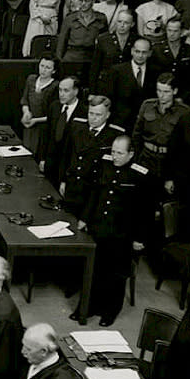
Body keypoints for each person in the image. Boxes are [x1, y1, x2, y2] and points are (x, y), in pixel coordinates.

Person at [77, 135, 150, 326]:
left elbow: (144, 211)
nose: (115, 156)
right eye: (113, 152)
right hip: (99, 227)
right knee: (94, 270)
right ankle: (89, 306)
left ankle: (110, 311)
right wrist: (84, 218)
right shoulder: (104, 164)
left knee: (116, 275)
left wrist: (139, 238)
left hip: (122, 234)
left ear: (131, 154)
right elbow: (94, 194)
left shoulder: (139, 175)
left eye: (119, 153)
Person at [58, 94, 121, 220]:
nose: (94, 118)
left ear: (107, 115)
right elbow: (66, 155)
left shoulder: (114, 136)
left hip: (92, 192)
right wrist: (63, 180)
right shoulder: (77, 126)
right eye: (91, 113)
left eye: (98, 115)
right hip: (73, 186)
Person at [104, 40, 159, 132]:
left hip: (146, 122)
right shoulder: (117, 70)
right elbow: (110, 97)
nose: (140, 55)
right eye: (137, 51)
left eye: (144, 52)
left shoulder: (156, 71)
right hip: (121, 121)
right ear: (132, 51)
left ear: (150, 53)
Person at [58, 0, 109, 82]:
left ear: (93, 1)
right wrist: (59, 61)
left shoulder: (101, 18)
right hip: (72, 58)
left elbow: (105, 42)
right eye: (81, 0)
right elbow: (61, 42)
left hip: (91, 58)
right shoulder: (70, 18)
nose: (83, 4)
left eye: (86, 1)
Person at [20, 56, 59, 159]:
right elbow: (24, 100)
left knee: (36, 155)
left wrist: (35, 120)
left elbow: (54, 113)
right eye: (42, 66)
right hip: (29, 124)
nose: (43, 70)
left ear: (54, 71)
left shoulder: (55, 86)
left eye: (48, 67)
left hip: (43, 127)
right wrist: (26, 112)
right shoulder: (31, 79)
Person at [92, 10, 139, 94]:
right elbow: (95, 66)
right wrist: (92, 91)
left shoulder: (136, 40)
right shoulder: (103, 39)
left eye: (126, 23)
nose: (122, 25)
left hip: (128, 86)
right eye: (119, 21)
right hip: (106, 84)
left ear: (132, 24)